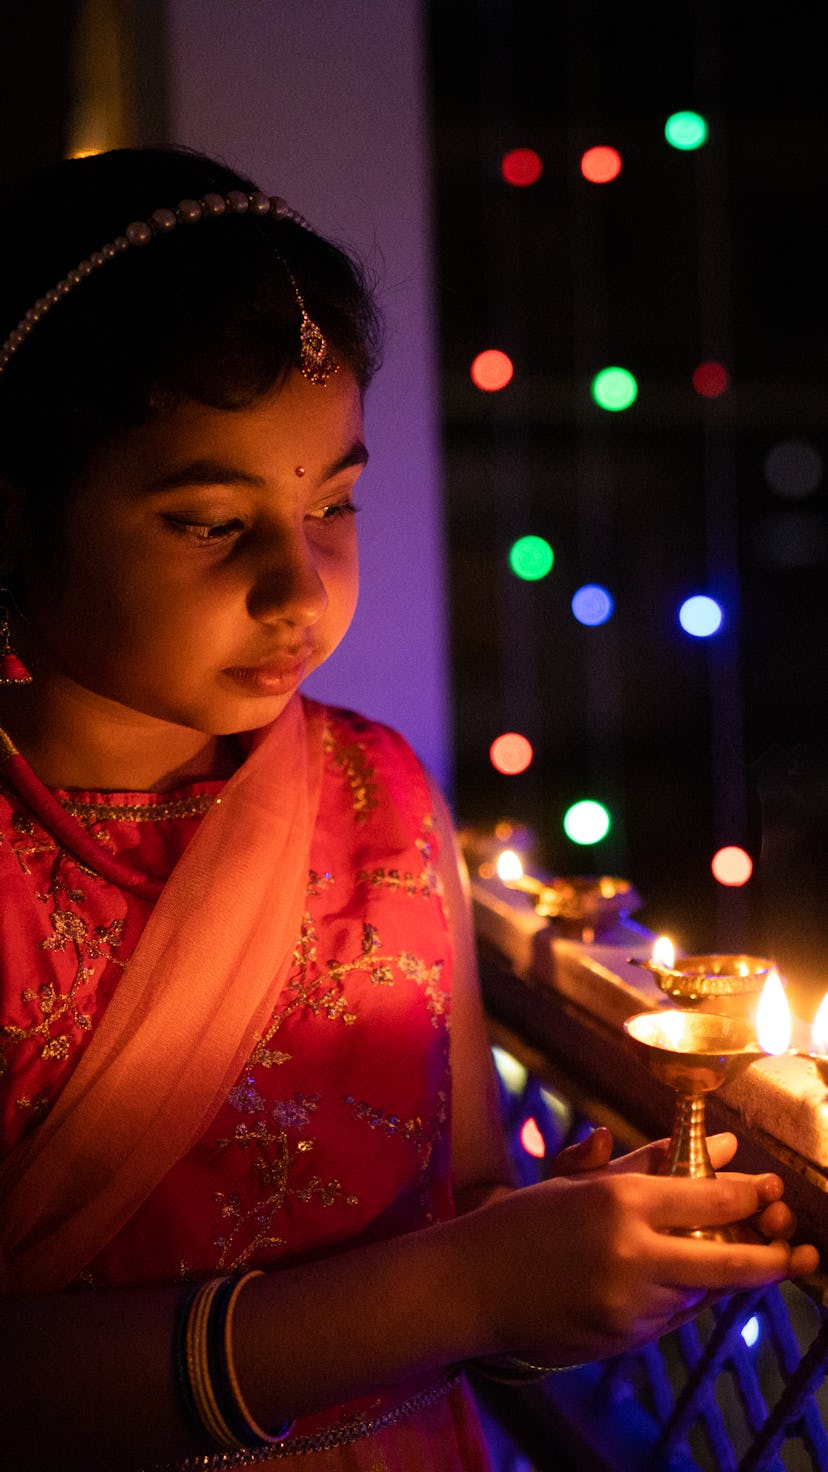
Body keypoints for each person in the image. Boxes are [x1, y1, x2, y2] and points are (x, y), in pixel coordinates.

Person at [0, 145, 817, 1472]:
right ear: (17, 521)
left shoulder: (375, 789)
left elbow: (460, 1211)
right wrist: (465, 1290)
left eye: (336, 503)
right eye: (211, 521)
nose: (299, 586)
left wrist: (563, 1264)